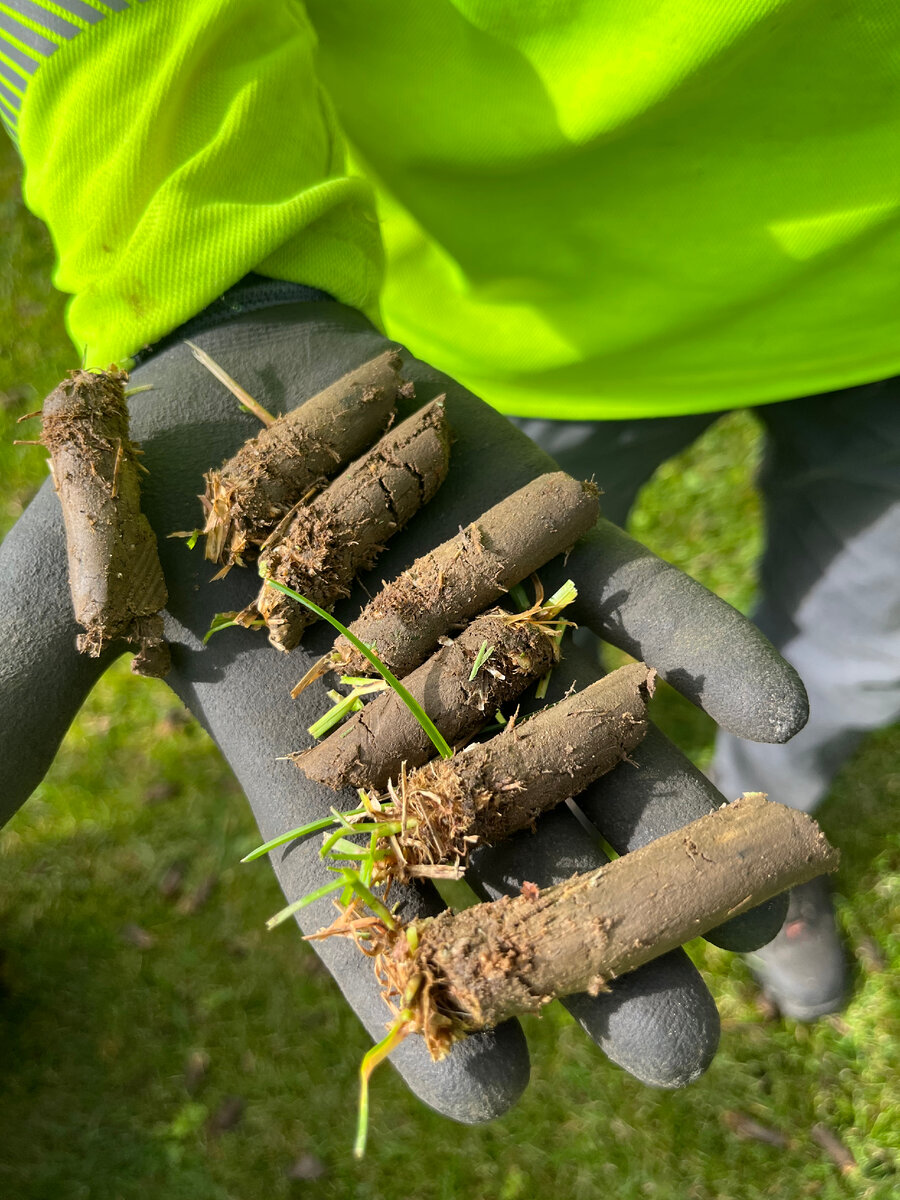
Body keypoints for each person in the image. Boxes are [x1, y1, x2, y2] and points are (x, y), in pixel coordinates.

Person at [0, 0, 897, 1117]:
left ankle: (771, 823)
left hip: (878, 283)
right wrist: (217, 281)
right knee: (573, 584)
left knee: (863, 645)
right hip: (510, 307)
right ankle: (757, 848)